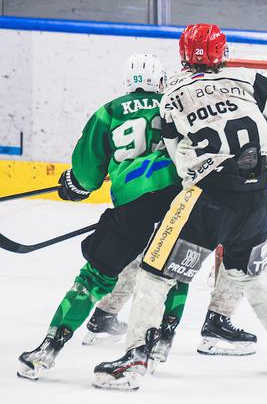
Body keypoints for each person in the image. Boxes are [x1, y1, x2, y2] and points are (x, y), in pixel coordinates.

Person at [92, 23, 267, 390]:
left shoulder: (170, 95)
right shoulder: (252, 84)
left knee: (155, 274)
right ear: (224, 54)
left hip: (207, 201)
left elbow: (175, 156)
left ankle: (136, 357)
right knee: (250, 274)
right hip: (257, 201)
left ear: (183, 55)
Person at [17, 54, 182, 379]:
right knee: (174, 271)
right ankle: (162, 341)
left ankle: (47, 350)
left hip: (130, 207)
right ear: (161, 81)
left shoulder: (109, 112)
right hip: (175, 204)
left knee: (92, 279)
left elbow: (86, 178)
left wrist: (73, 185)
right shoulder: (176, 105)